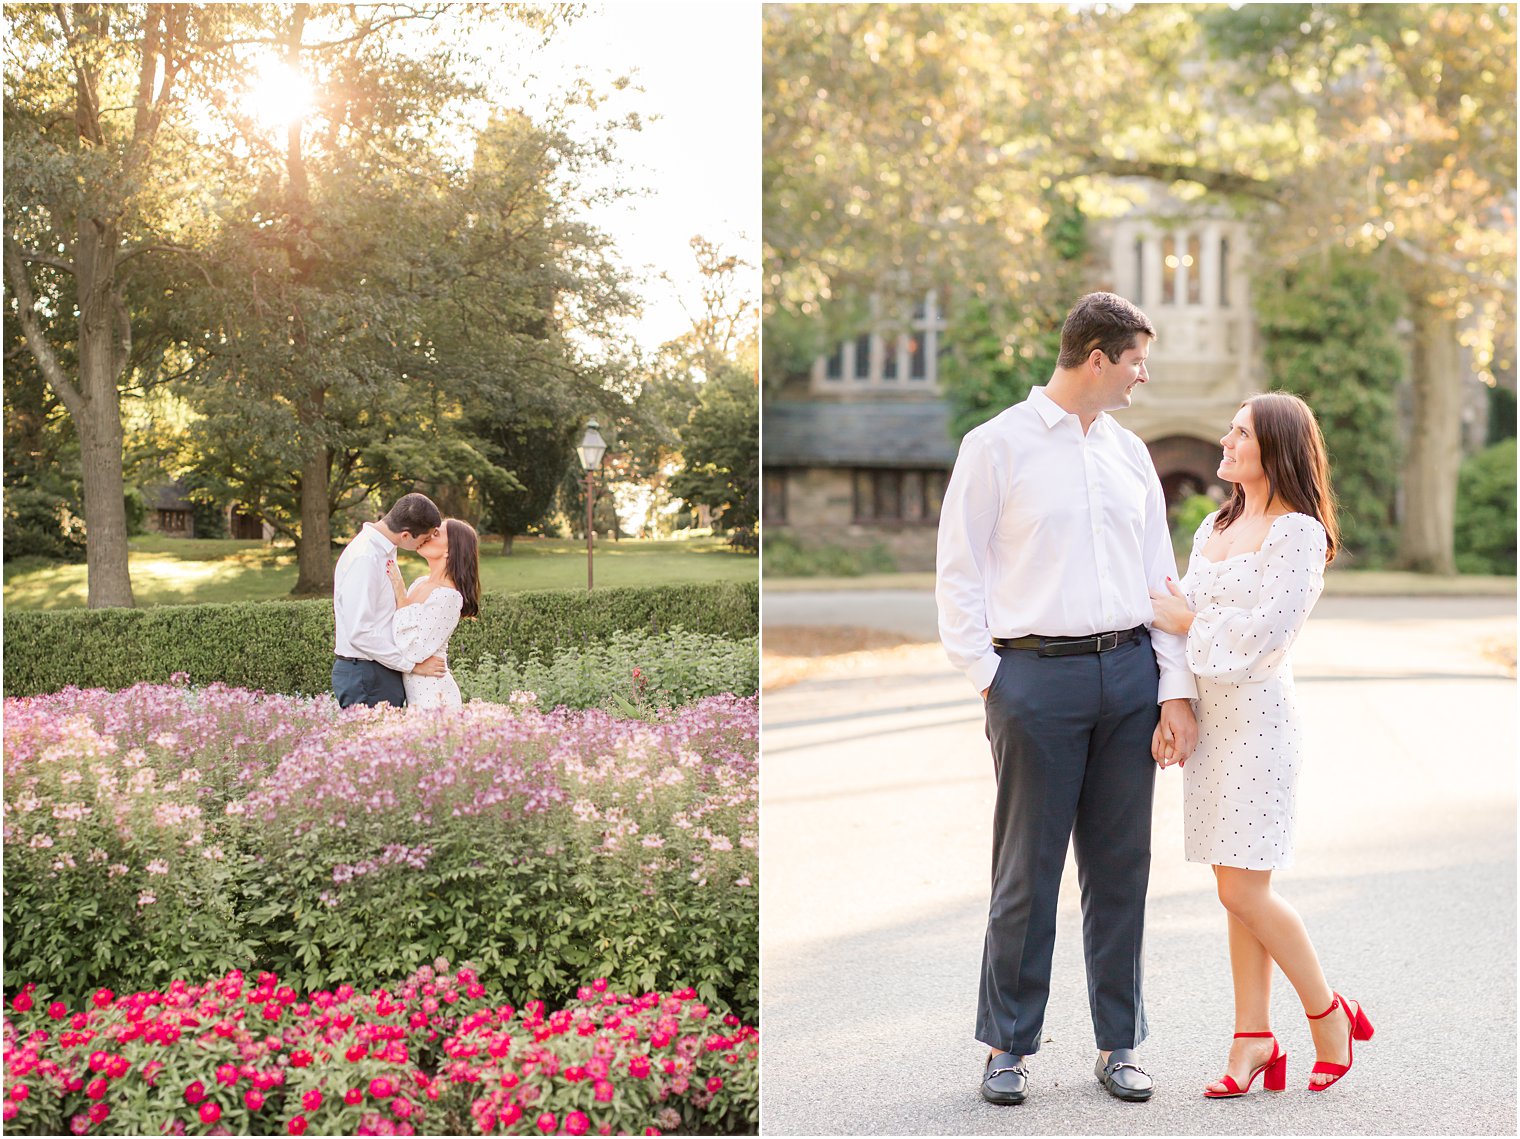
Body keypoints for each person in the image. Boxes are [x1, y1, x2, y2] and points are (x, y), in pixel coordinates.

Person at [936, 292, 1199, 1107]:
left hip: (1128, 677)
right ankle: (1006, 1046)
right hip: (1033, 681)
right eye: (1135, 361)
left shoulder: (1129, 456)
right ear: (1097, 357)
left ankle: (1120, 1043)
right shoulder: (996, 447)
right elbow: (959, 569)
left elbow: (1162, 580)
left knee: (1121, 870)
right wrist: (992, 677)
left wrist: (1174, 690)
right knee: (1027, 870)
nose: (1142, 376)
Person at [1149, 392, 1374, 1096]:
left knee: (1243, 887)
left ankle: (1327, 1010)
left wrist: (1192, 620)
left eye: (1240, 432)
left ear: (1274, 447)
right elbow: (1175, 620)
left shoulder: (1298, 533)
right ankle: (1252, 1038)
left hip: (1260, 728)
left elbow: (1265, 637)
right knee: (1237, 890)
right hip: (1211, 730)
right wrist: (1174, 702)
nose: (1225, 440)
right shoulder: (1216, 523)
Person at [331, 493, 448, 708]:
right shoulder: (365, 558)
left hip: (380, 669)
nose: (428, 542)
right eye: (424, 538)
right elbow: (360, 632)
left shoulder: (384, 550)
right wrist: (412, 665)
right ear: (405, 535)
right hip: (367, 675)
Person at [386, 518, 480, 710]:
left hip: (434, 698)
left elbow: (414, 650)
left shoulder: (449, 596)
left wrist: (400, 593)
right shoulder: (420, 583)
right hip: (413, 694)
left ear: (450, 550)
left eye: (436, 533)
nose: (427, 535)